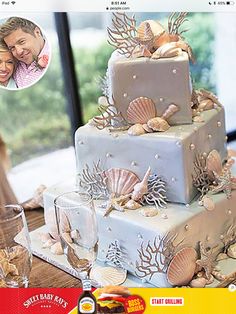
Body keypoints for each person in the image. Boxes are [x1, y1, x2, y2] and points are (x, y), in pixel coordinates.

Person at [0, 17, 49, 88]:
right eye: (12, 48)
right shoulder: (13, 60)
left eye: (21, 42)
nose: (19, 52)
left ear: (37, 32)